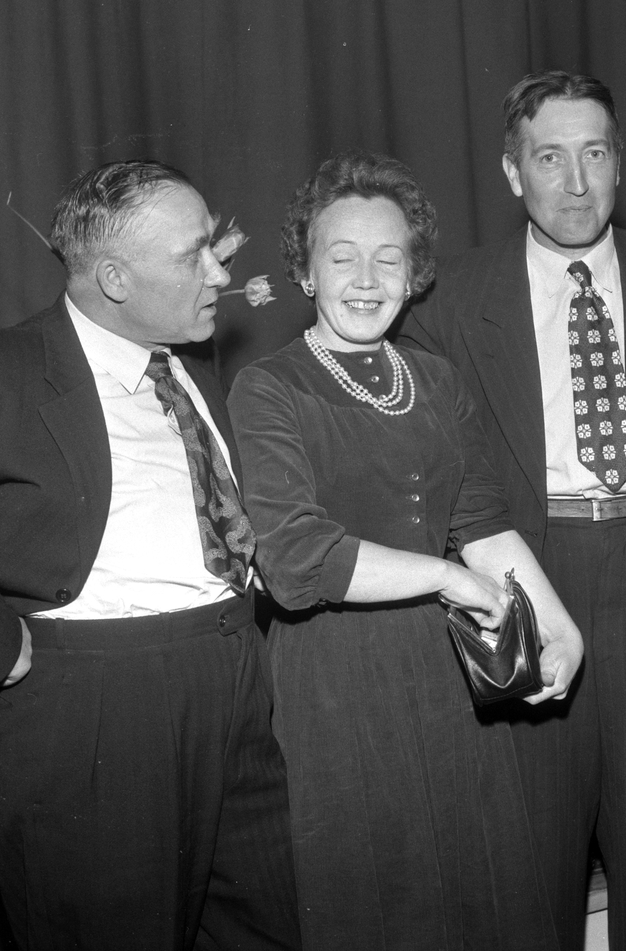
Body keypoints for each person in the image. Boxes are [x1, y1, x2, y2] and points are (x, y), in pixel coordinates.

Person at [0, 160, 301, 951]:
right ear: (114, 278)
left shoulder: (191, 363)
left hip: (234, 687)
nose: (221, 272)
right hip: (91, 716)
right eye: (194, 255)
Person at [400, 71, 626, 950]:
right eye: (549, 158)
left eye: (594, 154)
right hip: (523, 589)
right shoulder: (447, 304)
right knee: (530, 898)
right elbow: (431, 491)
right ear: (510, 171)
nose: (575, 183)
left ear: (618, 162)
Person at [228, 153, 582, 951]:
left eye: (388, 259)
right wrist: (449, 578)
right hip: (332, 688)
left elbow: (482, 522)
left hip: (448, 682)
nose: (366, 279)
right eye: (341, 257)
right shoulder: (270, 386)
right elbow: (297, 559)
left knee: (479, 901)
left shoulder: (436, 378)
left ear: (415, 274)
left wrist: (559, 626)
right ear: (304, 272)